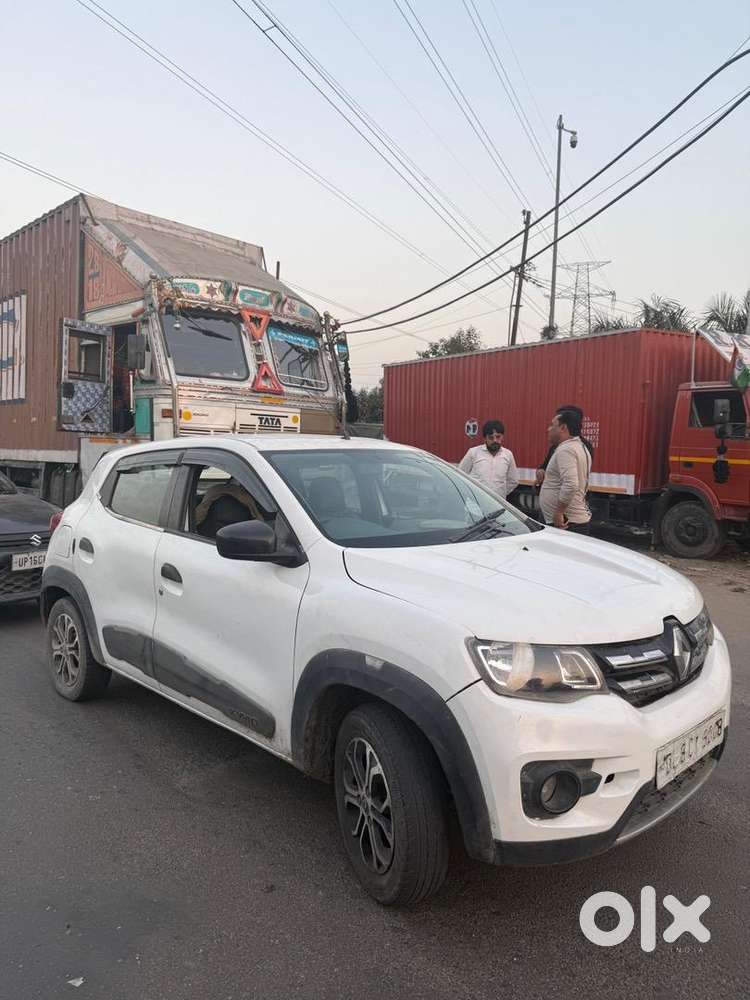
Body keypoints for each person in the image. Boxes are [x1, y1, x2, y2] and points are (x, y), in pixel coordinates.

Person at [539, 409, 592, 533]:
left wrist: (559, 512)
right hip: (572, 522)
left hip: (566, 523)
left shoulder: (566, 450)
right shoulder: (578, 446)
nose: (549, 429)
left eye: (553, 425)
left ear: (563, 428)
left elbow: (571, 484)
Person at [535, 404, 593, 487]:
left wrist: (562, 499)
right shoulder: (556, 446)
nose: (549, 429)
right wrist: (541, 471)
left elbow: (571, 483)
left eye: (555, 424)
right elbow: (545, 466)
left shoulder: (576, 448)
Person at [459, 419, 520, 499]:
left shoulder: (508, 455)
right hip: (476, 502)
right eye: (491, 437)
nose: (495, 440)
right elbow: (460, 475)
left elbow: (513, 481)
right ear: (485, 439)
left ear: (502, 437)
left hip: (497, 504)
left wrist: (501, 493)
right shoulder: (473, 452)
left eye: (498, 437)